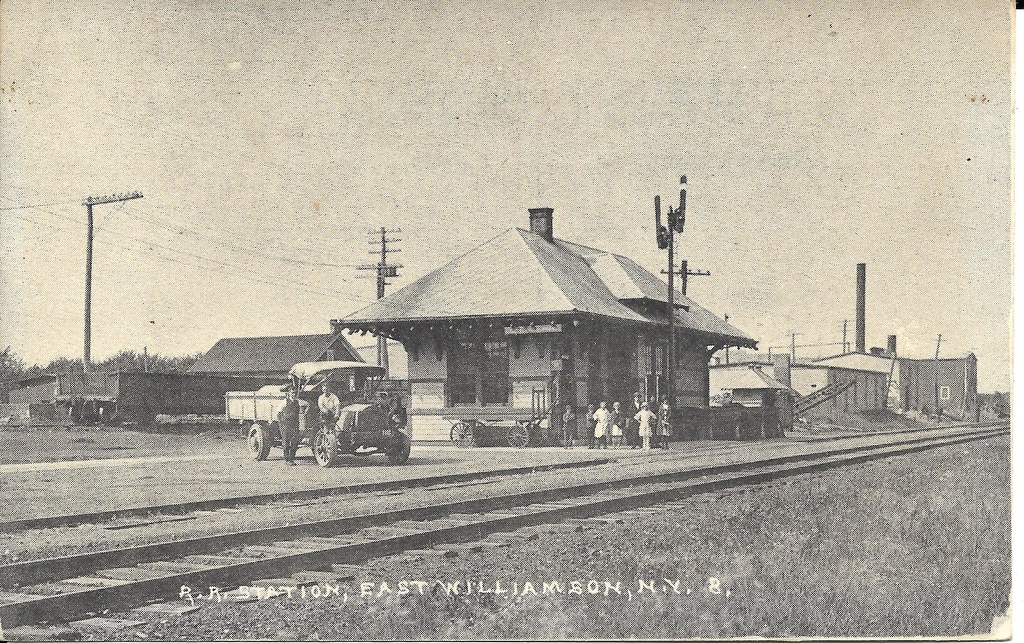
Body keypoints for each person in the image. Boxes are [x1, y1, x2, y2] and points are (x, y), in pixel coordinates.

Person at [275, 386, 301, 466]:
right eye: (292, 393)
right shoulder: (285, 401)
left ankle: (291, 459)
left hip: (294, 424)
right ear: (289, 393)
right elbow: (278, 412)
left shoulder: (297, 402)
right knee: (286, 443)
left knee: (294, 442)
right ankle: (287, 460)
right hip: (286, 425)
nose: (294, 394)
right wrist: (281, 422)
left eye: (295, 393)